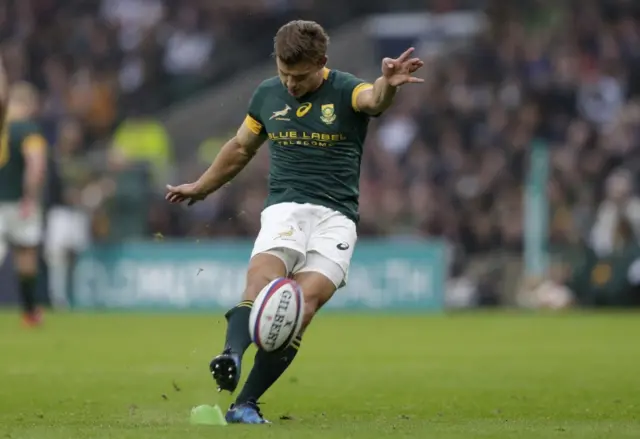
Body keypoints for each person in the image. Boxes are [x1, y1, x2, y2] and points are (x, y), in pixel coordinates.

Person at [166, 20, 424, 424]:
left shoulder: (345, 88)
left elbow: (373, 101)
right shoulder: (267, 94)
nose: (290, 84)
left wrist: (388, 83)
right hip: (287, 207)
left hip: (337, 219)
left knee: (301, 308)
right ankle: (231, 352)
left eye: (299, 76)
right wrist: (201, 186)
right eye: (284, 73)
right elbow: (239, 148)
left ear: (322, 62)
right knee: (263, 279)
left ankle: (244, 404)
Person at [0, 59, 48, 327]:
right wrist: (31, 196)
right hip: (19, 201)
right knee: (26, 255)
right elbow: (36, 164)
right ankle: (30, 312)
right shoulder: (28, 129)